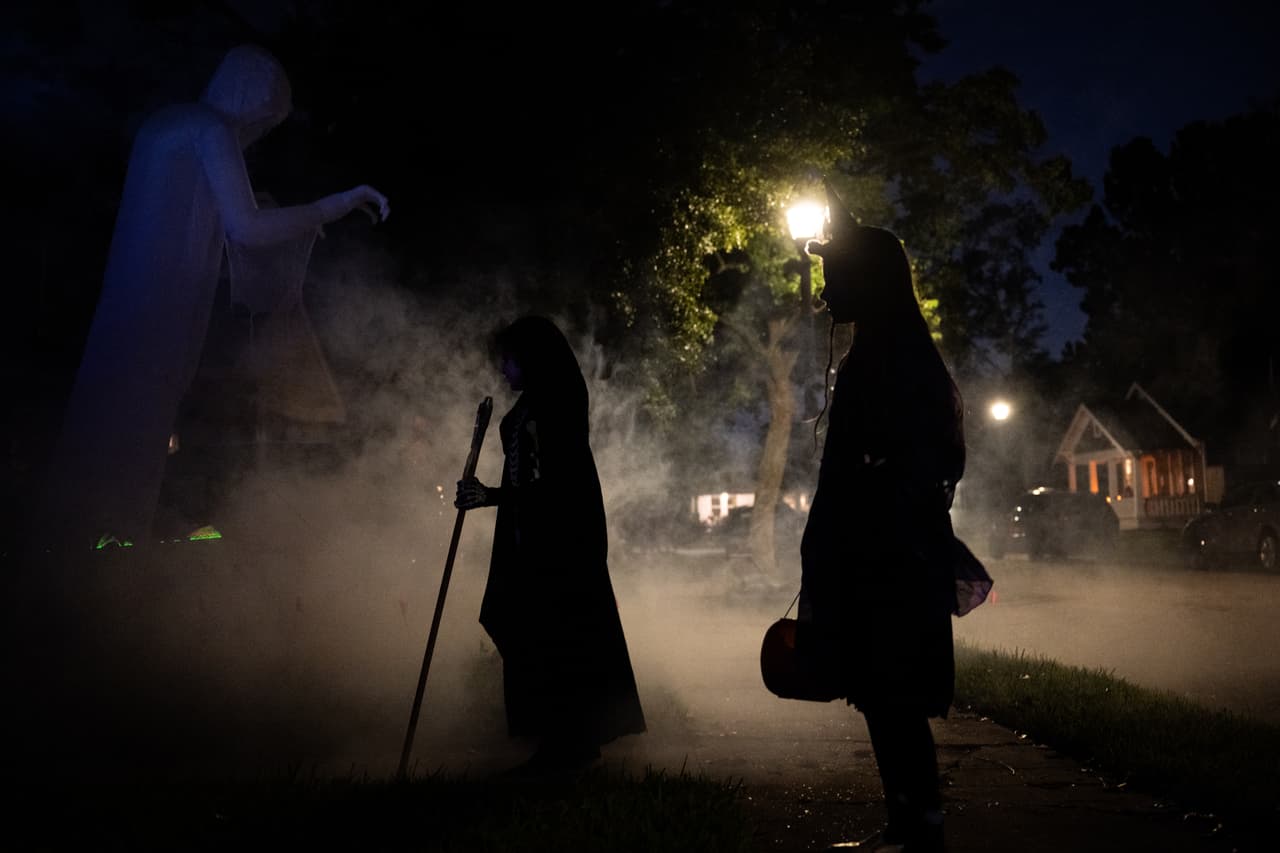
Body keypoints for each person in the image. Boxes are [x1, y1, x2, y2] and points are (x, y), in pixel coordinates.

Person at [40, 44, 389, 548]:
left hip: (131, 303)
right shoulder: (210, 128)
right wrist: (334, 205)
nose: (261, 132)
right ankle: (105, 551)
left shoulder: (168, 123)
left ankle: (85, 547)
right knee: (133, 439)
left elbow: (202, 218)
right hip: (161, 310)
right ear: (250, 96)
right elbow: (246, 228)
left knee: (108, 428)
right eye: (266, 119)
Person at [799, 182, 965, 853]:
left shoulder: (895, 361)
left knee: (891, 693)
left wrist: (867, 507)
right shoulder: (884, 352)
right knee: (879, 692)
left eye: (834, 278)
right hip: (877, 551)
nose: (823, 295)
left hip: (889, 557)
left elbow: (920, 464)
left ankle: (919, 827)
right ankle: (906, 821)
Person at [456, 315, 646, 774]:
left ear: (531, 357)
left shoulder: (557, 404)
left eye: (509, 359)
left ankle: (568, 744)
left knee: (558, 640)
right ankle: (562, 740)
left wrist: (491, 496)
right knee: (533, 636)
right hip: (531, 542)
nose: (503, 369)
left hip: (557, 547)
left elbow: (557, 486)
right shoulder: (533, 405)